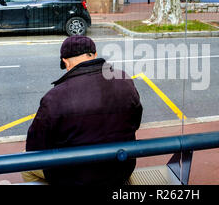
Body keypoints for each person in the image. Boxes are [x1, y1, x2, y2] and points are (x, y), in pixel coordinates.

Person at [22, 35, 143, 185]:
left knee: (25, 164)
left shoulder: (54, 97)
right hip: (121, 168)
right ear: (95, 55)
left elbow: (35, 146)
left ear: (66, 62)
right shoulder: (124, 80)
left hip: (75, 176)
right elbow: (135, 122)